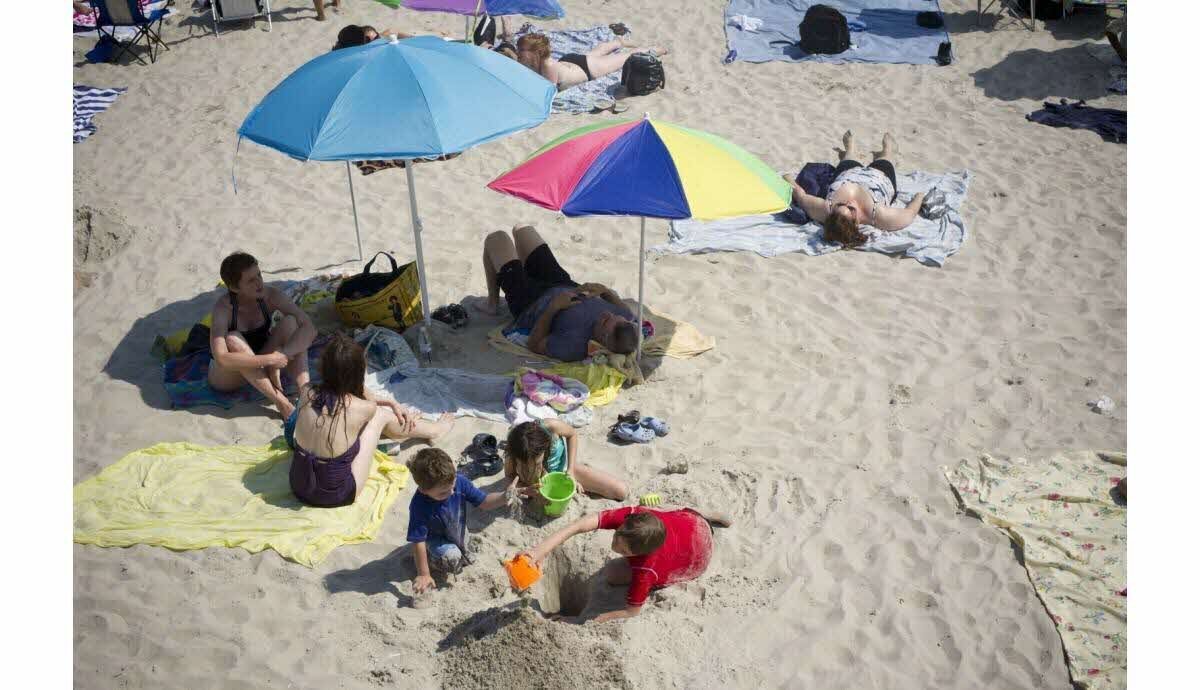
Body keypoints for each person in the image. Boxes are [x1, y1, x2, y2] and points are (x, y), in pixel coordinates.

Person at [288, 333, 454, 508]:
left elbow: (347, 398)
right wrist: (391, 403)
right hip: (335, 495)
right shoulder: (363, 408)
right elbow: (364, 398)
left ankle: (416, 428)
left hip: (299, 484)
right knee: (380, 416)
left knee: (353, 423)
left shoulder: (307, 391)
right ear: (359, 372)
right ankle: (434, 430)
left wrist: (390, 401)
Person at [519, 504, 732, 622]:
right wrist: (540, 551)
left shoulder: (645, 568)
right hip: (694, 522)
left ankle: (707, 515)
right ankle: (709, 515)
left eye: (621, 550)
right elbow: (581, 524)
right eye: (616, 537)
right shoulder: (637, 515)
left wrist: (588, 620)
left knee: (612, 573)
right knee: (662, 509)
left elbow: (632, 611)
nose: (613, 546)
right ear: (626, 523)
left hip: (697, 559)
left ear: (637, 553)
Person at [480, 224, 640, 361]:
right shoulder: (624, 321)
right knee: (522, 229)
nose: (607, 313)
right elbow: (624, 310)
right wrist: (604, 291)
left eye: (606, 321)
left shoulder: (573, 345)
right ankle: (522, 269)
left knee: (496, 238)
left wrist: (553, 308)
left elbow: (534, 345)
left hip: (530, 302)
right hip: (563, 283)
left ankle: (492, 304)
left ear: (603, 340)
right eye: (613, 316)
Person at [207, 252, 316, 419]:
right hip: (229, 375)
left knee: (291, 322)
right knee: (232, 338)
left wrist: (282, 354)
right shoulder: (224, 309)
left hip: (261, 358)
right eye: (251, 280)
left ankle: (305, 393)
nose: (259, 283)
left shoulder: (270, 296)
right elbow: (222, 359)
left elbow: (309, 328)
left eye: (259, 274)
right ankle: (283, 404)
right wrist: (270, 360)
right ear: (235, 288)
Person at [783, 131, 927, 248]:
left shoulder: (825, 209)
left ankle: (850, 148)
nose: (849, 202)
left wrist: (787, 178)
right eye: (851, 209)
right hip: (879, 177)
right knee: (886, 158)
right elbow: (909, 213)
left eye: (840, 204)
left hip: (847, 174)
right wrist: (919, 197)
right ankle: (887, 150)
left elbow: (800, 196)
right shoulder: (880, 216)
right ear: (857, 222)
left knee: (848, 158)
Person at [408, 448, 513, 593]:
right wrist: (423, 574)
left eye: (453, 486)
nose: (451, 493)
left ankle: (458, 548)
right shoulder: (419, 505)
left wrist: (505, 496)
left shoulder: (459, 482)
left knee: (468, 553)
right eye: (443, 492)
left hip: (457, 529)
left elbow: (484, 502)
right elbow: (418, 540)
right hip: (435, 538)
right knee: (452, 558)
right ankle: (432, 559)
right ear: (423, 490)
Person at [505, 420, 628, 502]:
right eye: (528, 464)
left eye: (536, 462)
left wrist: (571, 470)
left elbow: (572, 434)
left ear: (544, 446)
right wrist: (526, 490)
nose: (534, 465)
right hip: (532, 481)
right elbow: (510, 476)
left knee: (621, 491)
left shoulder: (550, 427)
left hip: (563, 471)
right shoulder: (514, 450)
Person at [515, 33, 668, 92]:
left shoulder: (547, 65)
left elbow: (547, 93)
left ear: (536, 52)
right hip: (570, 62)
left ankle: (657, 48)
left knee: (626, 57)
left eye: (522, 49)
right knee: (595, 54)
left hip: (587, 69)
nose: (519, 51)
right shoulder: (530, 61)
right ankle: (617, 42)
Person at [332, 24, 417, 50]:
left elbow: (393, 31)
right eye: (368, 40)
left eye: (377, 36)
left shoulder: (380, 38)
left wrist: (413, 39)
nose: (378, 39)